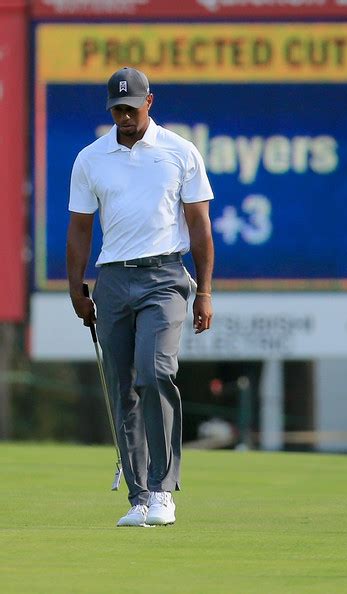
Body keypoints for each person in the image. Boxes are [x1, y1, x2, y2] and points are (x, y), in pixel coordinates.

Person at [66, 67, 214, 527]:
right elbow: (80, 229)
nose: (125, 116)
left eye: (131, 107)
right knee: (122, 388)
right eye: (117, 109)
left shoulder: (179, 152)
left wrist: (204, 290)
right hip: (112, 279)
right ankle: (140, 496)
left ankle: (164, 492)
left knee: (154, 372)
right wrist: (77, 288)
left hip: (166, 276)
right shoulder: (91, 158)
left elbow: (199, 226)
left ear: (150, 102)